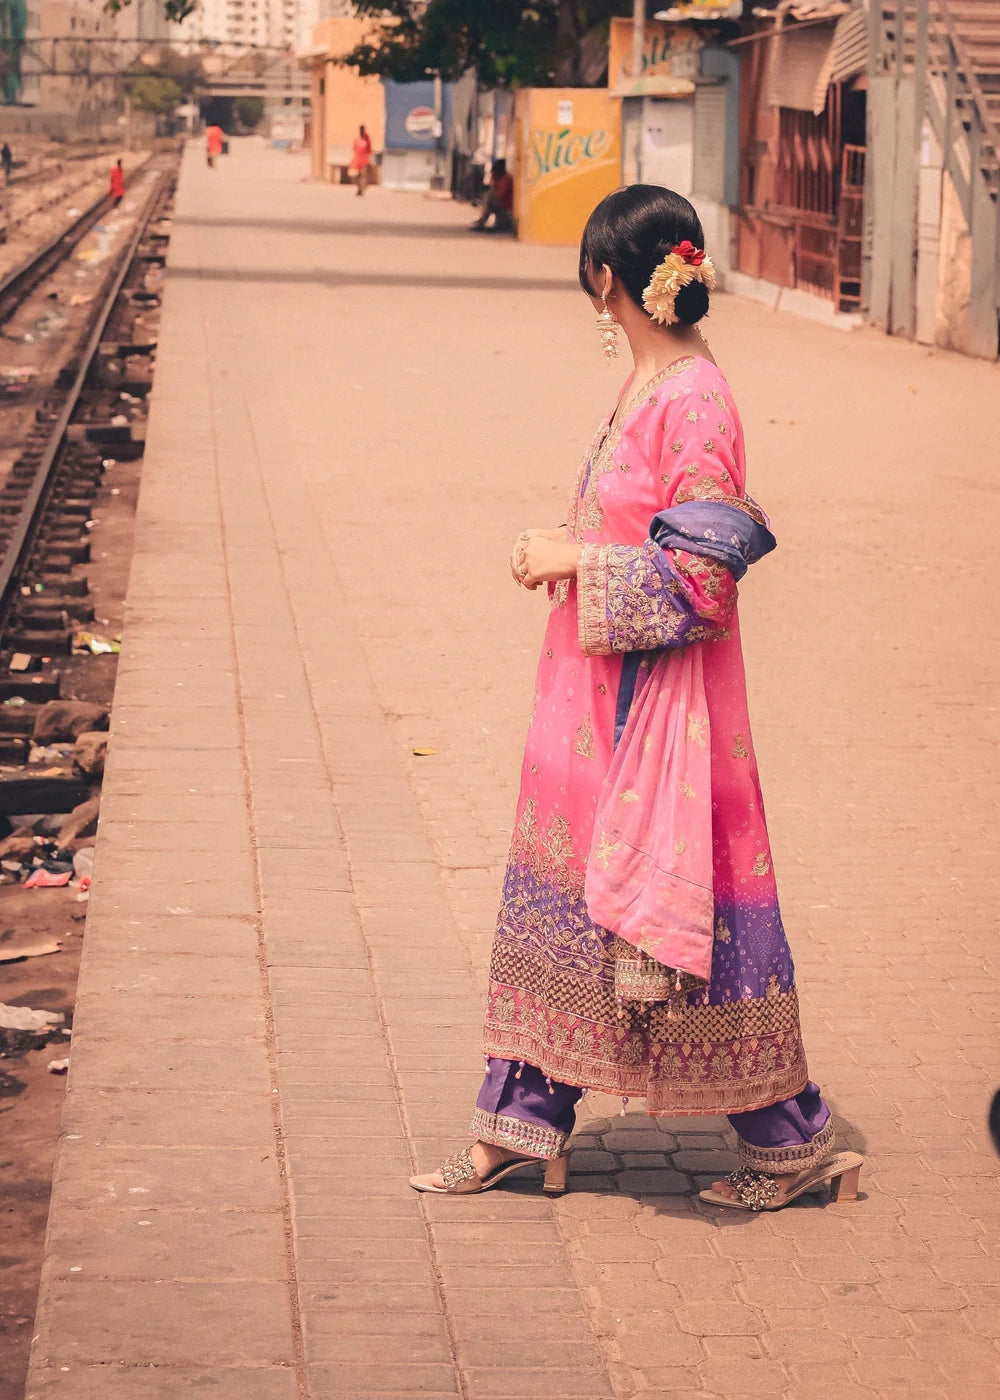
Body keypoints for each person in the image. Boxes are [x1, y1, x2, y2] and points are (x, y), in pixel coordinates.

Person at [410, 185, 864, 1212]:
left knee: (667, 921)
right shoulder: (645, 386)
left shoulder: (695, 400)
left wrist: (570, 555)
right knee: (576, 914)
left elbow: (706, 580)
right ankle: (519, 1126)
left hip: (655, 709)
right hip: (592, 696)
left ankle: (792, 1139)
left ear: (607, 278)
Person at [471, 159, 514, 232]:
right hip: (501, 204)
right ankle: (483, 221)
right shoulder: (497, 178)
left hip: (507, 207)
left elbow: (500, 195)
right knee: (489, 197)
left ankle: (482, 221)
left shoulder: (506, 180)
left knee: (489, 198)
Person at [350, 124, 373, 197]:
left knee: (363, 175)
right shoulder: (357, 139)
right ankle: (359, 187)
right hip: (357, 160)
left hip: (364, 160)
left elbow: (369, 149)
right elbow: (354, 149)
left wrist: (369, 158)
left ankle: (361, 189)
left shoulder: (367, 139)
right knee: (355, 176)